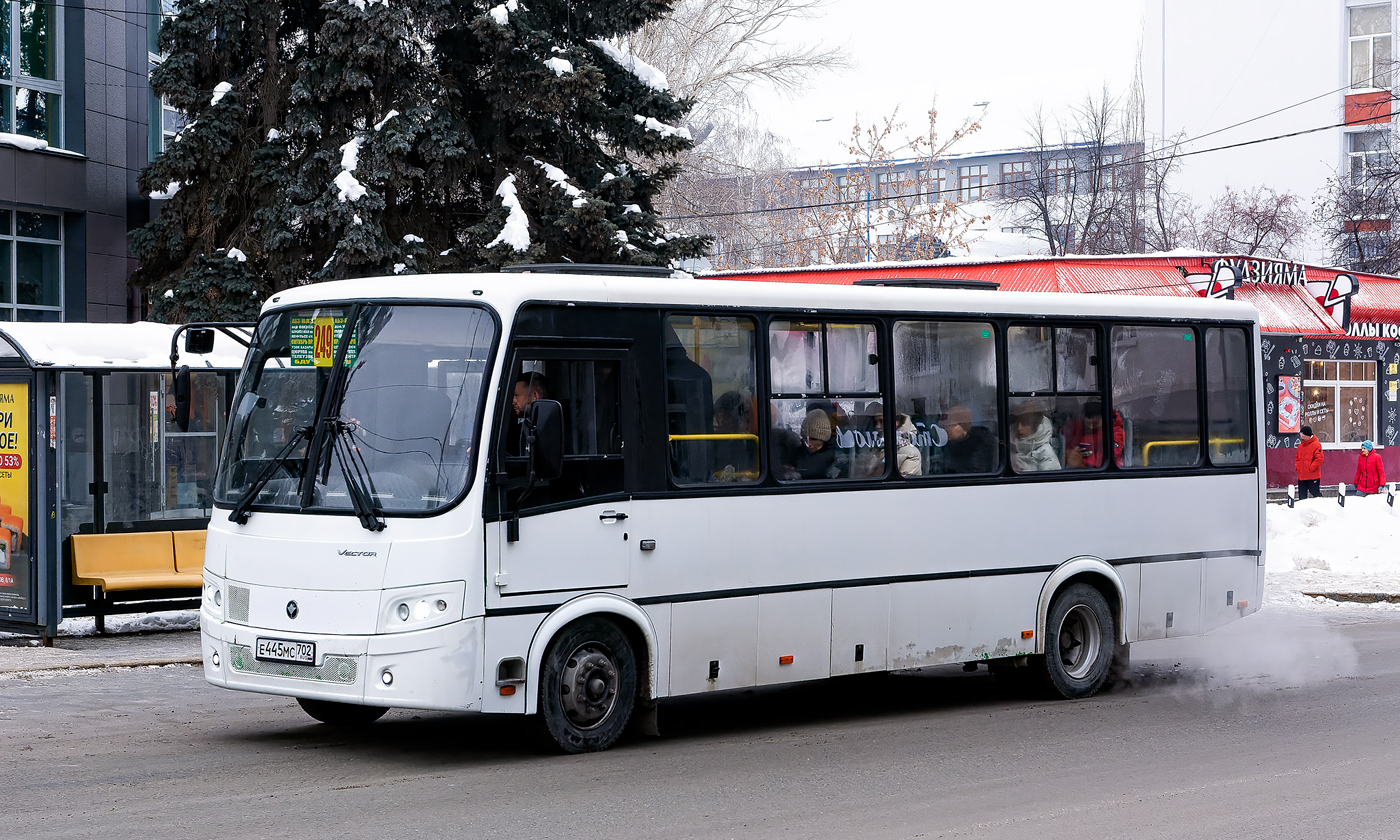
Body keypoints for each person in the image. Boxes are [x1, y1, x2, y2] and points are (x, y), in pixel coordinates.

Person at [1064, 400, 1125, 469]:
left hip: (1104, 469)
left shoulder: (1116, 432)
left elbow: (1111, 454)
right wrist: (1074, 452)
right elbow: (1068, 443)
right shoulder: (1078, 426)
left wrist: (1081, 460)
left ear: (1105, 418)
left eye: (1095, 423)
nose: (1091, 427)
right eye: (1087, 423)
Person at [940, 404, 996, 473]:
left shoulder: (979, 446)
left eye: (950, 425)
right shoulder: (947, 445)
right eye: (945, 424)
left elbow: (973, 474)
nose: (946, 428)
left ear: (962, 426)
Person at [1009, 400, 1060, 472]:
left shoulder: (1046, 453)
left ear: (1035, 426)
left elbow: (1049, 481)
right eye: (1018, 423)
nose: (1019, 428)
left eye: (1024, 424)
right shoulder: (1011, 446)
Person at [792, 408, 840, 480]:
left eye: (814, 439)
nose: (808, 444)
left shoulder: (835, 457)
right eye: (805, 438)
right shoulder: (797, 451)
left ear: (824, 439)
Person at [1294, 425, 1323, 499]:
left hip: (1313, 476)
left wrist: (1311, 468)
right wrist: (1297, 467)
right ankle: (1302, 510)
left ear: (1306, 435)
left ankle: (1319, 507)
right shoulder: (1300, 446)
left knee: (1315, 494)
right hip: (1302, 475)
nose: (1300, 435)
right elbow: (1297, 458)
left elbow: (1319, 459)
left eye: (1302, 434)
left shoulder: (1316, 445)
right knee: (1302, 496)